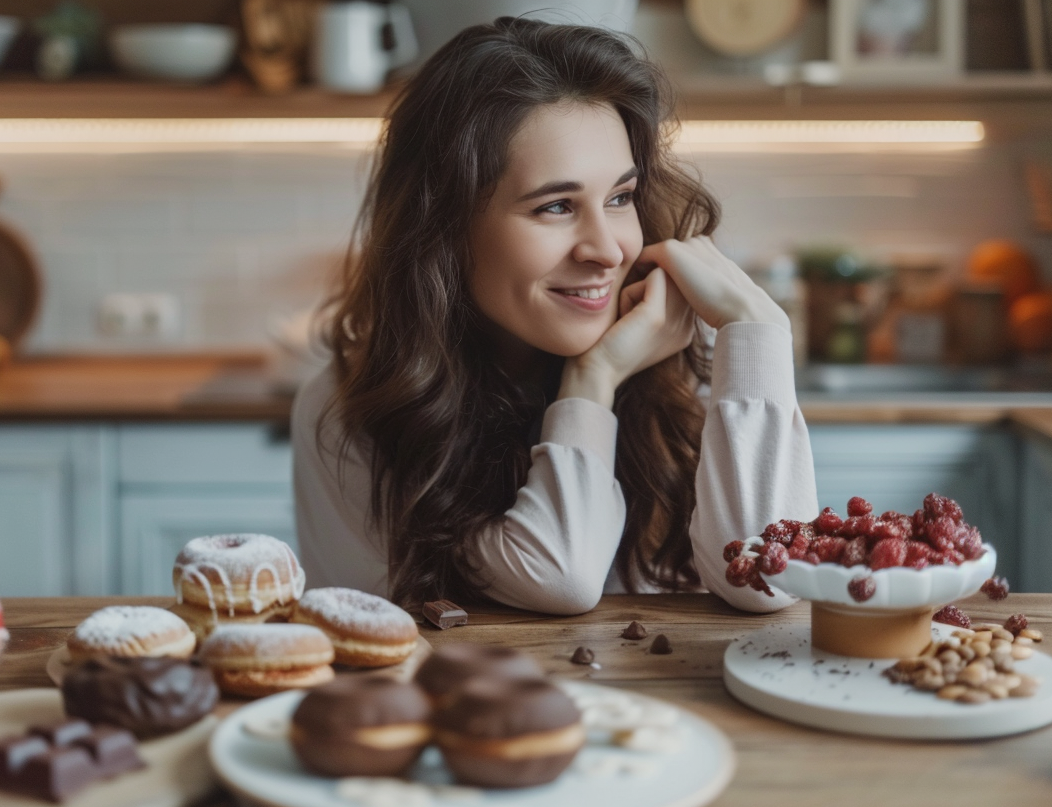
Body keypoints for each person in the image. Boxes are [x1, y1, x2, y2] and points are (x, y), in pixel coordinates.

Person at [292, 18, 817, 615]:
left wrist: (758, 333)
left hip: (670, 711)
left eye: (620, 198)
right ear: (443, 231)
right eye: (557, 206)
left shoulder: (675, 362)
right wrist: (592, 383)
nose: (608, 249)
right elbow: (559, 578)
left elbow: (768, 583)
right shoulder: (351, 409)